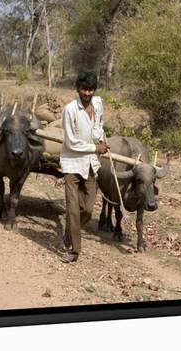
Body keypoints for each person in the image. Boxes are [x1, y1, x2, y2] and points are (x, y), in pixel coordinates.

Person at [59, 71, 108, 263]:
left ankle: (70, 231)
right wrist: (96, 147)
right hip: (72, 163)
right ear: (78, 89)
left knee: (87, 209)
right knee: (73, 207)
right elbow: (71, 142)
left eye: (90, 90)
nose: (87, 93)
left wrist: (102, 140)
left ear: (94, 90)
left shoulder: (98, 104)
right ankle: (74, 251)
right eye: (84, 89)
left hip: (90, 164)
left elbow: (99, 126)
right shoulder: (70, 110)